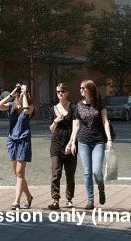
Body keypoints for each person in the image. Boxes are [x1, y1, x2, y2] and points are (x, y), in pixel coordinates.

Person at [67, 79, 113, 209]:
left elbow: (105, 122)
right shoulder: (79, 105)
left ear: (90, 89)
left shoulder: (99, 104)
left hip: (98, 141)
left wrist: (109, 140)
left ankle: (101, 188)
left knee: (97, 171)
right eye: (80, 88)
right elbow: (76, 125)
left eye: (83, 88)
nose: (81, 90)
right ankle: (90, 201)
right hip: (83, 141)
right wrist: (72, 142)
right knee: (87, 172)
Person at [0, 82, 35, 211]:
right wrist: (10, 95)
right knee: (17, 173)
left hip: (23, 140)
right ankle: (29, 196)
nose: (18, 95)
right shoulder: (11, 105)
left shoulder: (30, 107)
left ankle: (16, 201)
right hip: (12, 140)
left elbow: (25, 110)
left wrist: (24, 93)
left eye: (20, 93)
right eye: (18, 93)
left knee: (19, 172)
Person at [48, 82, 77, 210]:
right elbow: (51, 129)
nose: (60, 93)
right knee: (56, 172)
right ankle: (55, 200)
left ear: (67, 93)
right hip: (56, 144)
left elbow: (76, 126)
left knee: (70, 174)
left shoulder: (73, 108)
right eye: (58, 91)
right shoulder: (53, 109)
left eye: (63, 91)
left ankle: (69, 199)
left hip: (70, 144)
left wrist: (71, 143)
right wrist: (56, 121)